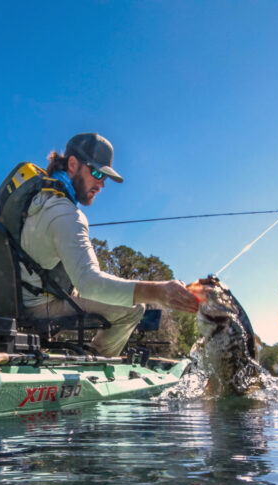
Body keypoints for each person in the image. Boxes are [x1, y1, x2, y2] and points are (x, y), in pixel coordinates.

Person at [20, 132, 203, 356]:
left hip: (23, 300)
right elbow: (90, 284)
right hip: (39, 308)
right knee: (133, 309)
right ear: (73, 164)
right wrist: (159, 292)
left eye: (105, 177)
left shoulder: (34, 201)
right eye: (96, 172)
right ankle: (95, 365)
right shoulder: (65, 214)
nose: (101, 184)